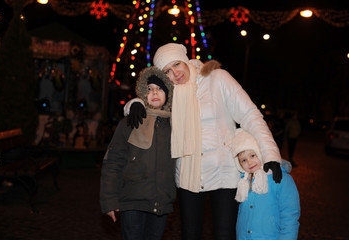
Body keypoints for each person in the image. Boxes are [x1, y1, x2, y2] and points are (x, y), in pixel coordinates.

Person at [126, 43, 283, 239]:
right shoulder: (170, 92)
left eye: (176, 64)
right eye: (167, 70)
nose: (175, 73)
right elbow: (148, 99)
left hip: (224, 172)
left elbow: (250, 115)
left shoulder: (217, 78)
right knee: (190, 234)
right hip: (187, 173)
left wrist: (271, 155)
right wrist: (134, 105)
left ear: (185, 59)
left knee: (224, 235)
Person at [100, 66, 176, 240]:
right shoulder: (130, 121)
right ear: (143, 92)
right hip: (132, 202)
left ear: (168, 94)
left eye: (160, 89)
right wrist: (109, 200)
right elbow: (113, 161)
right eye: (149, 89)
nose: (155, 92)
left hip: (161, 203)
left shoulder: (174, 125)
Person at [231, 128, 300, 240]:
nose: (249, 162)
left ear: (261, 152)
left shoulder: (281, 179)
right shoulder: (243, 182)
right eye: (243, 160)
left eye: (252, 155)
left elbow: (289, 216)